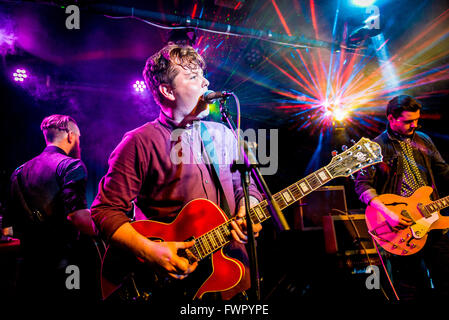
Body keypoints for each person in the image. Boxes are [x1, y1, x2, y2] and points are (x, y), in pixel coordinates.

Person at [90, 44, 263, 301]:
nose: (205, 82)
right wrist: (150, 251)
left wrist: (247, 206)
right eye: (193, 77)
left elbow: (245, 186)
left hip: (230, 275)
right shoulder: (140, 142)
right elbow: (104, 211)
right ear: (168, 90)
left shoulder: (224, 134)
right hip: (171, 285)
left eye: (202, 74)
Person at [354, 95, 449, 300]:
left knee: (445, 278)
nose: (413, 125)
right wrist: (389, 214)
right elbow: (362, 186)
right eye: (407, 121)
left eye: (416, 120)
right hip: (402, 225)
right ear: (391, 118)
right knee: (412, 287)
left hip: (432, 220)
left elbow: (443, 172)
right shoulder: (375, 147)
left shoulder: (424, 140)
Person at [1, 114, 97, 301]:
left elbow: (7, 229)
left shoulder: (18, 172)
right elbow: (77, 218)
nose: (79, 143)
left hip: (26, 270)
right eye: (78, 138)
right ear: (71, 136)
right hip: (66, 267)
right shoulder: (71, 166)